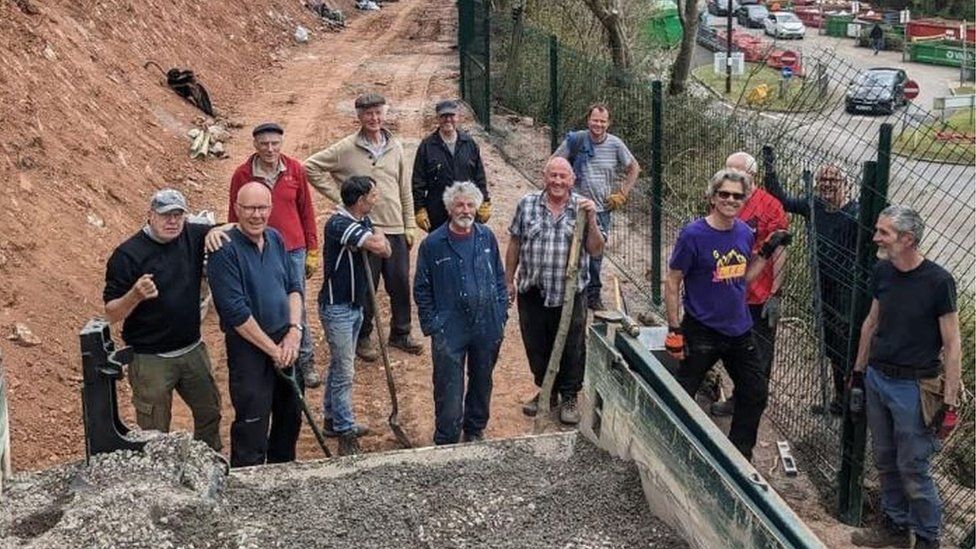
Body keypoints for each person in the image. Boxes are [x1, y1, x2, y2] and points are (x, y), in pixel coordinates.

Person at [849, 205, 961, 549]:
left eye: (884, 232)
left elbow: (952, 343)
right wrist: (857, 372)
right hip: (878, 378)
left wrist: (950, 401)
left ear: (908, 239)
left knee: (912, 466)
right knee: (884, 457)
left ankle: (927, 539)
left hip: (913, 387)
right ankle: (895, 528)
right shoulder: (883, 271)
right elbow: (871, 322)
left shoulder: (938, 282)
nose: (875, 237)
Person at [664, 169, 792, 460]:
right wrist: (674, 329)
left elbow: (743, 278)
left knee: (755, 392)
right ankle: (674, 449)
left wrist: (769, 249)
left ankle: (739, 455)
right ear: (712, 197)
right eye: (724, 194)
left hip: (738, 329)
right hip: (702, 329)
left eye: (737, 196)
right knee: (684, 393)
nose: (730, 200)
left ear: (745, 199)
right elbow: (673, 281)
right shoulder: (694, 234)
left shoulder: (745, 233)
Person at [103, 189, 224, 451]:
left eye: (178, 214)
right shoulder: (127, 255)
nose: (172, 221)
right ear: (150, 216)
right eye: (165, 215)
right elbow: (111, 313)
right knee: (154, 433)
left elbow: (232, 227)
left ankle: (209, 464)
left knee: (210, 413)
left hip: (192, 349)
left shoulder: (193, 235)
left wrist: (215, 230)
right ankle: (160, 484)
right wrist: (134, 295)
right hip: (150, 359)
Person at [304, 93, 422, 360]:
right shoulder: (346, 148)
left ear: (384, 113)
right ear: (358, 116)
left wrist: (409, 223)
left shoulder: (396, 146)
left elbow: (405, 187)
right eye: (368, 114)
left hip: (394, 226)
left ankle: (401, 332)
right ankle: (364, 335)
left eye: (378, 113)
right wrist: (343, 199)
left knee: (400, 282)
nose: (374, 118)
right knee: (367, 285)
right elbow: (310, 167)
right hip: (364, 229)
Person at [207, 182, 304, 467]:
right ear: (236, 209)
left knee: (290, 417)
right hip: (249, 348)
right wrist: (274, 351)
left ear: (271, 209)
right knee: (253, 422)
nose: (256, 215)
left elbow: (294, 287)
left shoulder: (274, 238)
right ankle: (247, 485)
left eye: (262, 208)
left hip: (285, 340)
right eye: (249, 208)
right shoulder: (224, 249)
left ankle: (282, 475)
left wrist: (294, 333)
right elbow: (235, 312)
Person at [506, 157, 606, 425]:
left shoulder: (582, 209)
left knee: (572, 345)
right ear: (544, 176)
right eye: (553, 176)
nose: (558, 181)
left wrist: (593, 220)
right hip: (533, 289)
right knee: (536, 343)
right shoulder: (527, 205)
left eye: (563, 176)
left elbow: (596, 249)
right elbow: (515, 243)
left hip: (570, 293)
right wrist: (509, 280)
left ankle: (570, 395)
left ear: (572, 180)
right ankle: (546, 389)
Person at [763, 150, 859, 415]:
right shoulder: (813, 206)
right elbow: (781, 200)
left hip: (847, 290)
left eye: (833, 180)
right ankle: (840, 401)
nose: (827, 184)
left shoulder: (855, 213)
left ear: (845, 184)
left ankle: (854, 402)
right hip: (822, 285)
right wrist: (770, 170)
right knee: (830, 345)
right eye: (823, 180)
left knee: (846, 348)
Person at [415, 181, 507, 445]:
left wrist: (500, 315)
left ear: (477, 208)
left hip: (487, 324)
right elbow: (421, 288)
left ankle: (475, 430)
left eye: (470, 205)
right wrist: (434, 324)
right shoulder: (433, 244)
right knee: (448, 388)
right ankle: (447, 438)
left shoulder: (486, 237)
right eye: (459, 204)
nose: (465, 210)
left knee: (482, 381)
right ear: (449, 208)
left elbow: (500, 278)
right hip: (450, 328)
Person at [229, 122, 321, 387]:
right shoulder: (243, 175)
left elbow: (307, 211)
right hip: (257, 249)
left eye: (275, 143)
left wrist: (312, 249)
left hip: (292, 249)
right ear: (255, 145)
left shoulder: (294, 170)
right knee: (261, 303)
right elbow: (234, 215)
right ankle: (267, 353)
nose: (270, 149)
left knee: (296, 305)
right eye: (264, 144)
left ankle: (305, 360)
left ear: (281, 144)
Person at [709, 152, 789, 417]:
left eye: (735, 171)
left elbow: (779, 250)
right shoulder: (725, 199)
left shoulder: (770, 206)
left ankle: (749, 402)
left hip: (758, 293)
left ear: (751, 176)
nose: (729, 176)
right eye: (727, 170)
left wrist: (776, 292)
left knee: (757, 354)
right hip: (726, 289)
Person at [318, 176, 392, 456]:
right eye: (373, 195)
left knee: (340, 367)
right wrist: (378, 240)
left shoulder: (361, 223)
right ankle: (346, 431)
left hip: (354, 305)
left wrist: (378, 239)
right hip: (337, 307)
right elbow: (378, 246)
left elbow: (385, 248)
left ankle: (332, 419)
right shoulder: (339, 224)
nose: (376, 199)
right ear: (360, 200)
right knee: (345, 370)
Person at [552, 103, 639, 311]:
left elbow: (634, 168)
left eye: (602, 121)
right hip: (572, 207)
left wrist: (622, 194)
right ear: (588, 120)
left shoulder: (616, 145)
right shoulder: (576, 141)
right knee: (566, 248)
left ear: (608, 123)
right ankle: (567, 290)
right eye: (595, 120)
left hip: (601, 210)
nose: (598, 125)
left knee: (595, 254)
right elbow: (554, 163)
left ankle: (592, 295)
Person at [412, 99, 490, 232]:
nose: (448, 120)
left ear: (458, 117)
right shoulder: (427, 146)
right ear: (437, 118)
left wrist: (484, 201)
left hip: (466, 211)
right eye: (443, 116)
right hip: (437, 213)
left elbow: (479, 176)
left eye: (451, 116)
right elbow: (418, 181)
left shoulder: (469, 144)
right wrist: (420, 209)